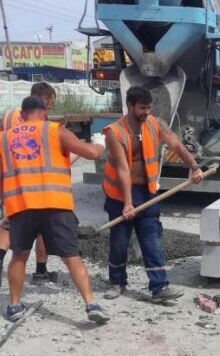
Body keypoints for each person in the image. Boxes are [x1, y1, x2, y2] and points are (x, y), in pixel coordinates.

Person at [2, 96, 110, 323]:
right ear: (43, 112)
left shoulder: (4, 139)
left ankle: (14, 305)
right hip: (55, 205)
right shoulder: (55, 130)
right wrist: (100, 143)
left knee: (19, 257)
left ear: (22, 115)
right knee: (71, 257)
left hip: (21, 206)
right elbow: (91, 153)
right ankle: (91, 304)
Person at [103, 86, 204, 302]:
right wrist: (127, 203)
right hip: (120, 194)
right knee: (119, 241)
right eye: (142, 108)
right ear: (130, 106)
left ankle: (159, 287)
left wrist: (194, 166)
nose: (146, 112)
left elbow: (176, 143)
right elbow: (122, 169)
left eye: (149, 108)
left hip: (147, 192)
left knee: (151, 238)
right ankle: (117, 282)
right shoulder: (115, 132)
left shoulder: (154, 124)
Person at [0, 82, 58, 286]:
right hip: (28, 181)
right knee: (38, 225)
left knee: (8, 222)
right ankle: (41, 271)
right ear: (43, 99)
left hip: (6, 178)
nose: (48, 109)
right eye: (49, 104)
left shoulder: (8, 115)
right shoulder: (37, 123)